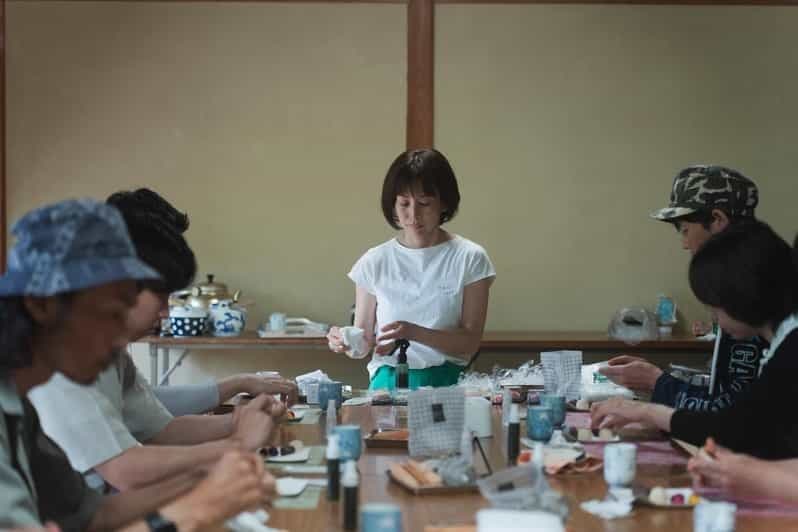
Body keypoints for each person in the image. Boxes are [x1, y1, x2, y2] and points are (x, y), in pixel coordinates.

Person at [0, 199, 273, 530]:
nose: (119, 341)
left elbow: (95, 515)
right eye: (109, 315)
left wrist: (206, 474)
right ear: (42, 304)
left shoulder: (20, 404)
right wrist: (199, 507)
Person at [591, 220, 798, 459]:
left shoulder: (791, 347)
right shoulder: (784, 339)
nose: (715, 319)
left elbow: (735, 429)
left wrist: (646, 412)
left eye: (714, 308)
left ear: (739, 296)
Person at [599, 165, 767, 411]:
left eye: (686, 230)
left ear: (718, 221)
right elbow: (727, 396)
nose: (684, 244)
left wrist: (658, 383)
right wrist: (656, 379)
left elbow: (734, 413)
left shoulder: (755, 292)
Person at [327, 148, 495, 389]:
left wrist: (413, 332)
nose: (413, 215)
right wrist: (343, 341)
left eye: (424, 203)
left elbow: (469, 342)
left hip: (447, 384)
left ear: (444, 203)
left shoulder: (469, 258)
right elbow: (363, 343)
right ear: (393, 205)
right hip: (387, 384)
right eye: (404, 203)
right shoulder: (375, 261)